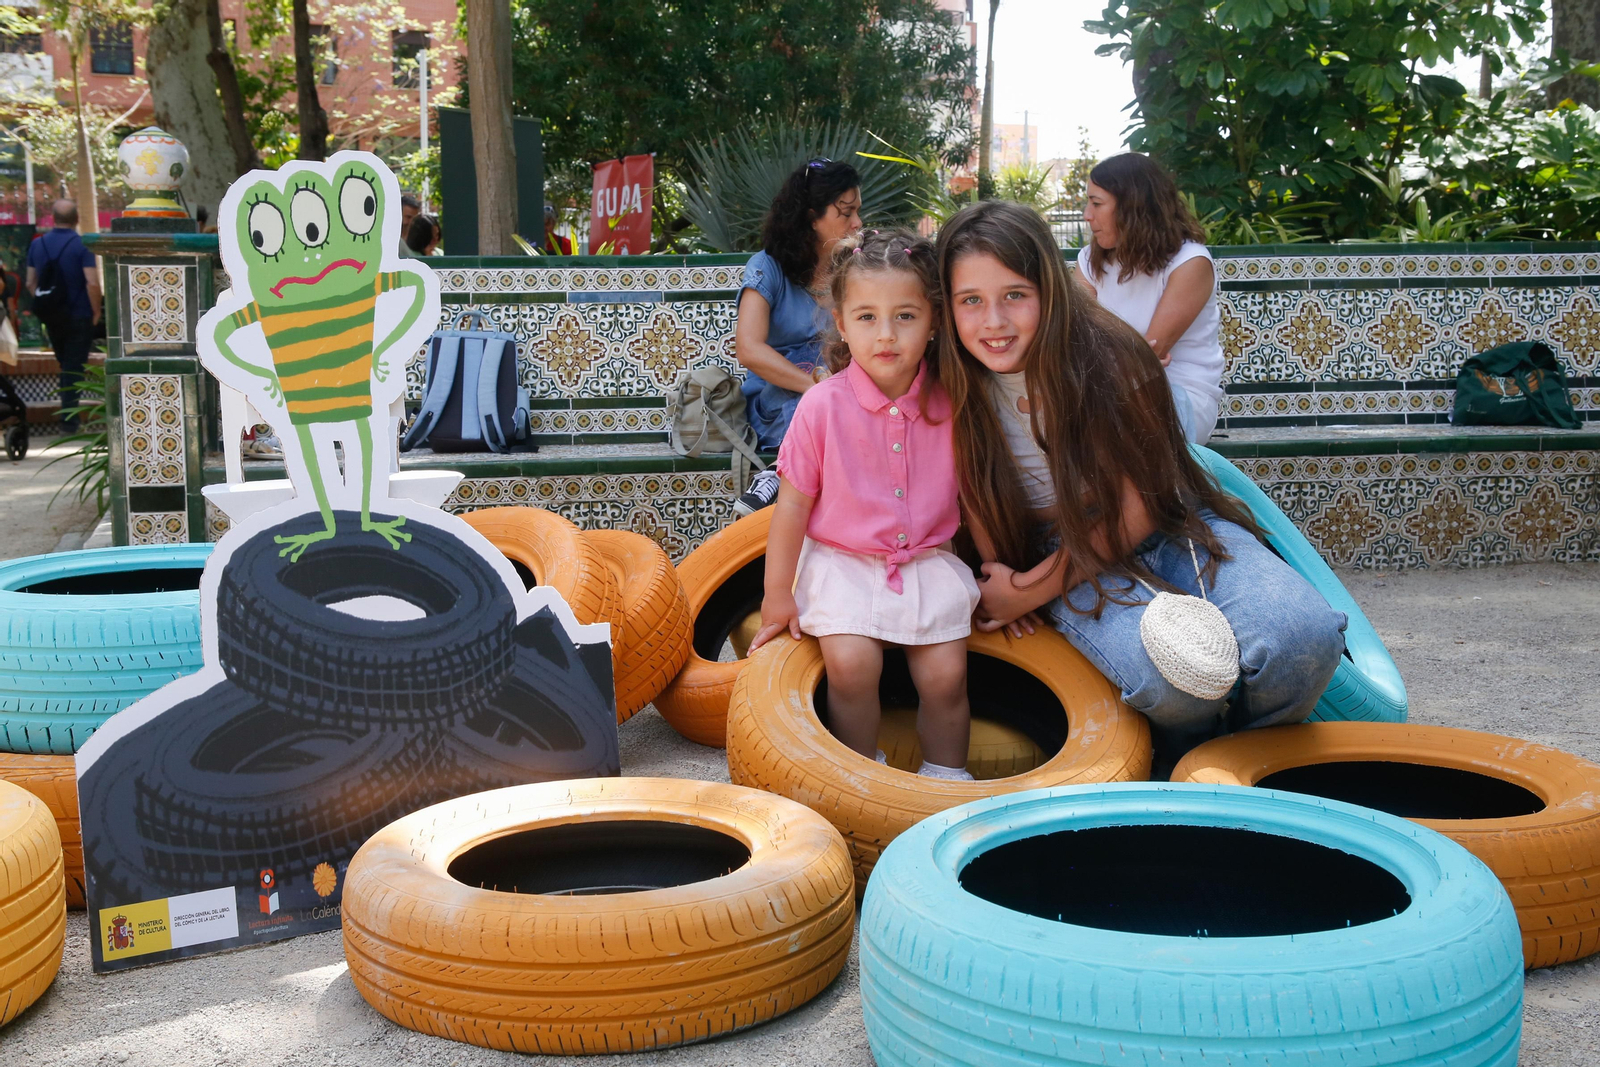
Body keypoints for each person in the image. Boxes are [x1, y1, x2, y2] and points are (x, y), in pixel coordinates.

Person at [935, 200, 1345, 774]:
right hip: (1050, 547)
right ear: (947, 307)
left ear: (1049, 290)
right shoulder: (943, 380)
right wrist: (1014, 574)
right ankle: (1181, 765)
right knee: (1180, 678)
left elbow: (1145, 503)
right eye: (970, 301)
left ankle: (1239, 769)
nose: (995, 322)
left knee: (1302, 639)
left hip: (1161, 524)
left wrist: (1027, 591)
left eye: (1015, 295)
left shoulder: (1111, 354)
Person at [749, 229, 979, 781]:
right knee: (852, 666)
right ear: (842, 323)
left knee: (946, 675)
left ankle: (945, 779)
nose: (887, 334)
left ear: (934, 322)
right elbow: (791, 508)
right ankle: (861, 779)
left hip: (925, 563)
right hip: (842, 563)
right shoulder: (821, 406)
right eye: (867, 317)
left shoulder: (953, 402)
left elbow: (976, 498)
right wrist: (777, 596)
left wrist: (995, 568)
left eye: (905, 315)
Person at [732, 158, 863, 516]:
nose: (857, 223)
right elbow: (749, 349)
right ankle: (780, 472)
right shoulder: (767, 266)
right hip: (780, 393)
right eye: (846, 213)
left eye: (857, 212)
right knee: (806, 407)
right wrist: (815, 386)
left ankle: (781, 474)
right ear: (811, 217)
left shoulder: (852, 268)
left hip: (840, 387)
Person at [1078, 153, 1223, 444]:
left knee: (1100, 431)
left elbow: (1145, 358)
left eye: (1096, 203)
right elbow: (1074, 335)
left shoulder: (1189, 263)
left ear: (1132, 207)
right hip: (1106, 393)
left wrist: (1123, 353)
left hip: (1178, 395)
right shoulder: (1089, 260)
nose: (1086, 215)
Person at [25, 200, 101, 430]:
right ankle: (69, 421)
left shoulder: (37, 245)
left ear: (53, 218)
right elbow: (92, 283)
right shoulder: (82, 245)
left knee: (64, 363)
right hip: (79, 314)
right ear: (77, 218)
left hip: (53, 318)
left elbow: (31, 282)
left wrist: (49, 305)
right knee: (73, 367)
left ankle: (68, 417)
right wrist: (96, 310)